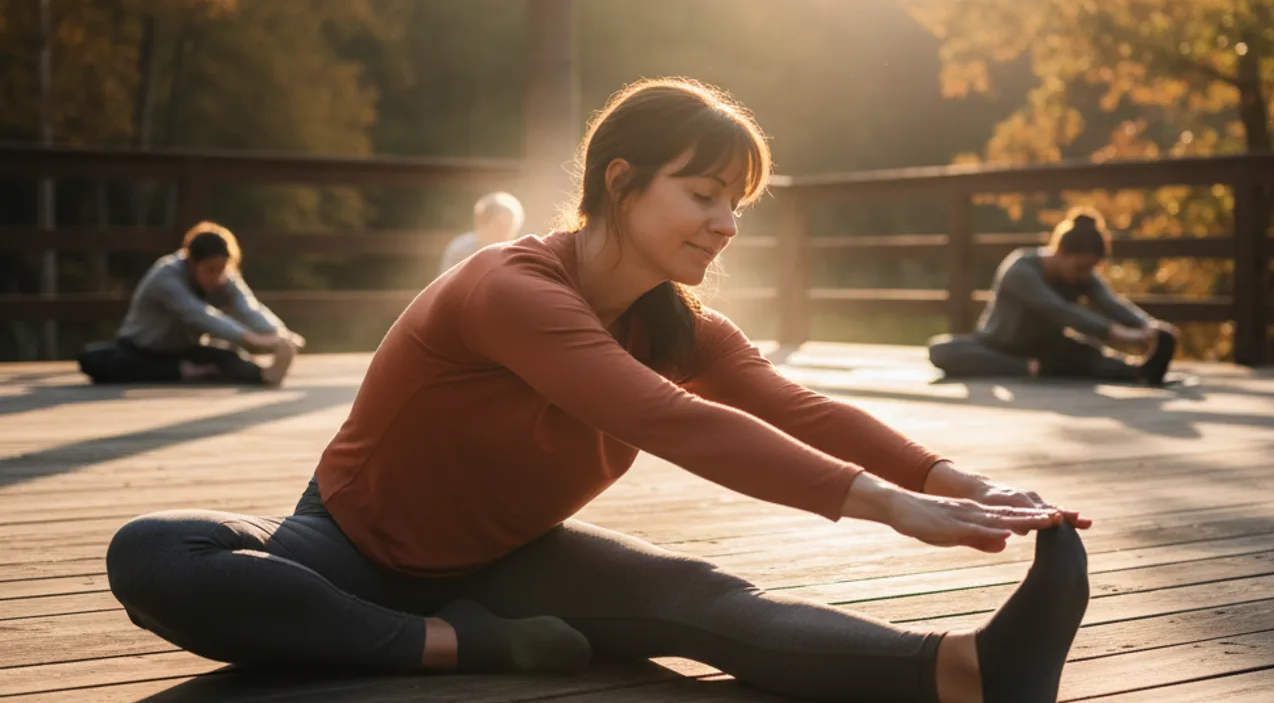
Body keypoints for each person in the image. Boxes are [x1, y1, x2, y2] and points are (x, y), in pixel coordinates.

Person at [105, 79, 1091, 703]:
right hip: (352, 549)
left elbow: (798, 407)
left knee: (708, 602)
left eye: (736, 206)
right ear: (622, 182)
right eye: (703, 196)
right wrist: (892, 508)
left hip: (511, 560)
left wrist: (963, 479)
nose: (725, 225)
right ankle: (447, 647)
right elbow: (667, 419)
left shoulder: (674, 320)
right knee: (155, 553)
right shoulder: (510, 286)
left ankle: (967, 672)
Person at [928, 208, 1177, 385]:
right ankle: (1029, 368)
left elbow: (1111, 303)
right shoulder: (1020, 269)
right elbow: (1059, 310)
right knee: (941, 351)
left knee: (1091, 354)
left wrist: (1148, 326)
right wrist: (1120, 334)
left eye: (1089, 269)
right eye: (1080, 267)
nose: (1084, 275)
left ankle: (1139, 372)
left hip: (1048, 348)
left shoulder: (1082, 277)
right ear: (1061, 250)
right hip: (997, 347)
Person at [77, 221, 303, 386]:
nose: (217, 277)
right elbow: (201, 315)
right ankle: (181, 372)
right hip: (142, 350)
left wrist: (280, 334)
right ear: (192, 263)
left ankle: (264, 376)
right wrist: (252, 338)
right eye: (210, 270)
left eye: (222, 269)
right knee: (93, 359)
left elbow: (249, 307)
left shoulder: (225, 276)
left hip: (187, 350)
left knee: (227, 356)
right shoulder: (165, 276)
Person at [439, 191, 526, 273]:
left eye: (511, 228)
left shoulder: (516, 256)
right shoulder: (460, 251)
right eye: (499, 227)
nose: (506, 234)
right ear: (481, 224)